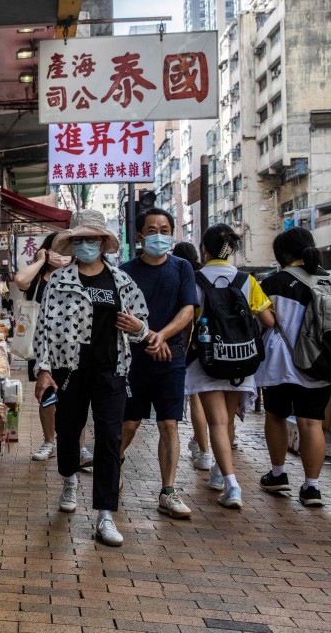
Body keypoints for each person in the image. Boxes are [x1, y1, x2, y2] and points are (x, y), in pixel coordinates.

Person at [33, 210, 150, 546]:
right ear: (72, 242)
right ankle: (69, 480)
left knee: (110, 439)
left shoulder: (122, 281)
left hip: (111, 369)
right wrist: (43, 369)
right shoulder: (59, 280)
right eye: (79, 239)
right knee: (68, 430)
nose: (86, 245)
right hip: (68, 369)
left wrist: (139, 328)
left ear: (103, 242)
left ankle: (105, 515)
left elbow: (141, 324)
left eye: (92, 239)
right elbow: (44, 328)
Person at [185, 224, 274, 510]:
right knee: (228, 421)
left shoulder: (195, 279)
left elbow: (188, 319)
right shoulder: (248, 280)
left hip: (208, 360)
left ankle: (232, 484)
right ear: (230, 249)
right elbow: (268, 321)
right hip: (241, 359)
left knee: (217, 423)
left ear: (204, 250)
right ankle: (218, 473)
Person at [120, 209, 198, 519]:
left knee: (169, 423)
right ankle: (118, 461)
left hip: (171, 358)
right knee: (129, 424)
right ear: (139, 236)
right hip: (133, 359)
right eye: (151, 230)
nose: (158, 234)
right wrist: (150, 338)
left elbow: (188, 309)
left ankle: (168, 491)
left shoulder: (182, 268)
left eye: (164, 229)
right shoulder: (125, 271)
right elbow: (124, 315)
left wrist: (162, 336)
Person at [255, 227, 331, 507]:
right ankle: (312, 488)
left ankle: (278, 475)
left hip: (282, 363)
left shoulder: (275, 282)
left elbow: (264, 321)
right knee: (312, 422)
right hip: (321, 364)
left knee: (275, 416)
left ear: (283, 255)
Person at [14, 234, 95, 466]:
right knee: (47, 396)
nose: (61, 254)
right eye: (56, 249)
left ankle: (79, 447)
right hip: (42, 345)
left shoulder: (78, 275)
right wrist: (40, 261)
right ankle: (50, 441)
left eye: (66, 250)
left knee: (76, 397)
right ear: (47, 249)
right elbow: (20, 280)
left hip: (73, 345)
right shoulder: (40, 278)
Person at [172, 241, 214, 472]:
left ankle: (204, 452)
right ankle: (202, 445)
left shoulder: (183, 277)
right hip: (216, 347)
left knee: (196, 399)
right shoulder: (205, 276)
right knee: (217, 400)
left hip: (191, 347)